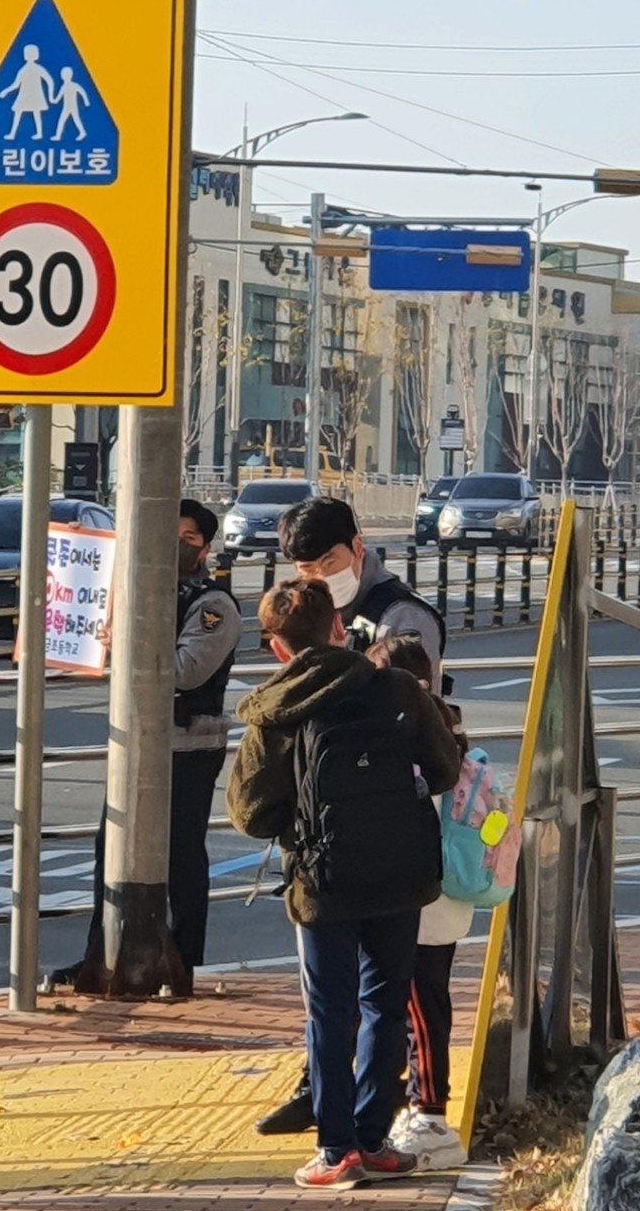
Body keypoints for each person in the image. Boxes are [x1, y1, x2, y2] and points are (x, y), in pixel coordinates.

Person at [227, 579, 460, 1190]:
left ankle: (336, 1152)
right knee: (384, 1004)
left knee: (329, 1013)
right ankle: (373, 1139)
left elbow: (249, 811)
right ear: (338, 627)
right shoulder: (396, 688)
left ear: (278, 648)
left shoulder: (277, 711)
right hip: (399, 873)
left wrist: (299, 823)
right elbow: (442, 768)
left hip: (321, 879)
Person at [260, 495, 450, 1136]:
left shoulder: (398, 615)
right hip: (323, 834)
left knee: (405, 984)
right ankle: (328, 1099)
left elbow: (417, 716)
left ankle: (417, 1106)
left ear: (358, 547)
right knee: (334, 988)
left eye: (329, 559)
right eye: (304, 566)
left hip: (394, 819)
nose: (318, 575)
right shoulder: (305, 622)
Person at [53, 498, 242, 994]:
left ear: (204, 549)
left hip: (188, 746)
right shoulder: (140, 592)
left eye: (189, 539)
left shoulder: (213, 606)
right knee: (109, 849)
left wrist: (123, 639)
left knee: (179, 853)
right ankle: (103, 950)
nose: (176, 546)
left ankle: (183, 961)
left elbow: (182, 672)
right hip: (134, 745)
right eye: (168, 535)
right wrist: (82, 555)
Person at [367, 636, 472, 1171]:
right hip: (445, 891)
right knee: (424, 1002)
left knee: (420, 1006)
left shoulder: (411, 730)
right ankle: (421, 1109)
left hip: (421, 893)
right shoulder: (445, 720)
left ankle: (430, 1115)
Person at [278, 496, 446, 691]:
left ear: (357, 547)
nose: (321, 576)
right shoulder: (311, 612)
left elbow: (412, 708)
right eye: (307, 569)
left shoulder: (402, 615)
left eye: (330, 563)